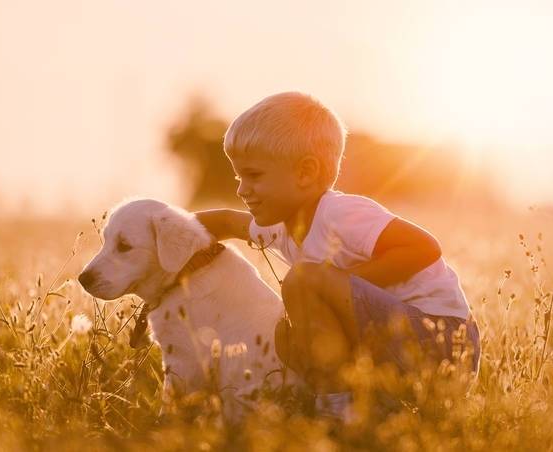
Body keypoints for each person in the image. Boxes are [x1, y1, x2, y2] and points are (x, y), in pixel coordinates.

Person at [194, 91, 481, 423]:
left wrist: (340, 284)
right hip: (397, 348)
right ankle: (368, 405)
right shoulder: (280, 225)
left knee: (304, 281)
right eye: (237, 177)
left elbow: (424, 247)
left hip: (443, 344)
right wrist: (165, 231)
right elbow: (227, 222)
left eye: (254, 175)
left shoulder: (340, 214)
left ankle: (336, 412)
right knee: (287, 337)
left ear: (305, 173)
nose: (242, 189)